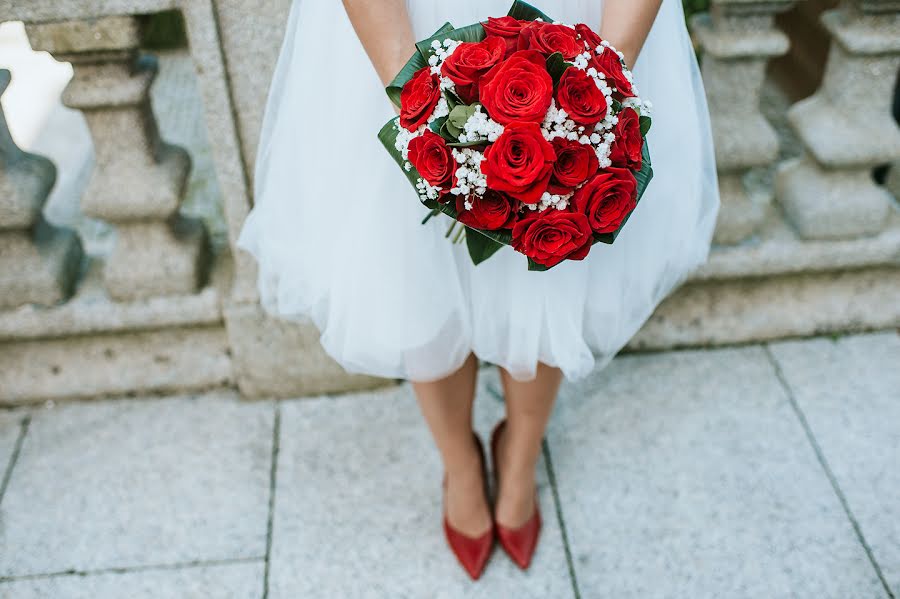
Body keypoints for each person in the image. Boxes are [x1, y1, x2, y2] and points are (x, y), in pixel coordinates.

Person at [237, 0, 719, 580]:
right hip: (405, 24)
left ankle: (519, 456)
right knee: (410, 268)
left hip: (578, 16)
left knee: (556, 247)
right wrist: (415, 95)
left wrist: (605, 78)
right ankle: (460, 463)